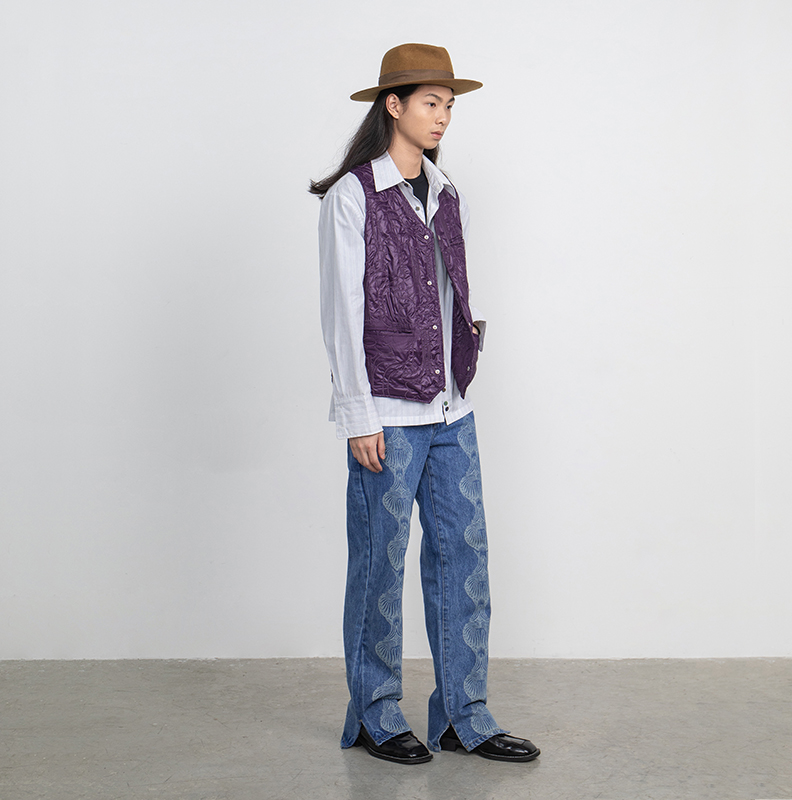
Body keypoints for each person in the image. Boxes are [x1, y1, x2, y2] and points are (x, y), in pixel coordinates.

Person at [310, 43, 539, 765]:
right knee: (380, 566)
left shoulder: (446, 193)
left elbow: (445, 296)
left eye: (449, 105)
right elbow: (342, 312)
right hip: (386, 413)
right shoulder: (353, 197)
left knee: (464, 559)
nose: (442, 116)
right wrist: (358, 415)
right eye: (431, 102)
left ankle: (464, 716)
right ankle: (375, 714)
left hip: (450, 411)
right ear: (394, 105)